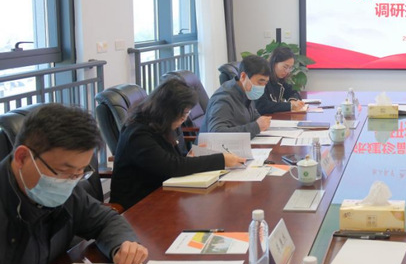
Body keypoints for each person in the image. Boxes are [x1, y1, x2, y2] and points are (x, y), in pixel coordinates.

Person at [0, 104, 148, 264]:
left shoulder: (66, 191)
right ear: (22, 157)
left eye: (79, 173)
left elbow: (104, 219)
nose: (70, 183)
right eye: (64, 171)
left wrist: (122, 244)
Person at [110, 78, 245, 211]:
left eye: (187, 113)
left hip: (164, 193)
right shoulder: (137, 133)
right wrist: (221, 159)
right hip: (138, 205)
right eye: (184, 113)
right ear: (168, 109)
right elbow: (172, 166)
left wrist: (189, 156)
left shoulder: (162, 122)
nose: (184, 119)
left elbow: (171, 159)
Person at [201, 54, 272, 136]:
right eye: (260, 82)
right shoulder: (224, 99)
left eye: (265, 83)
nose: (262, 87)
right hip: (214, 144)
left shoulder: (246, 92)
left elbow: (253, 116)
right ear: (243, 76)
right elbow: (216, 133)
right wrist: (256, 127)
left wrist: (261, 120)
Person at [255, 46, 305, 115]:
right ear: (274, 63)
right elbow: (263, 106)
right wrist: (290, 106)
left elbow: (292, 91)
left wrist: (293, 100)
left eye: (290, 68)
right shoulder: (262, 79)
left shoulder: (279, 79)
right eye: (285, 67)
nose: (287, 71)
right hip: (260, 118)